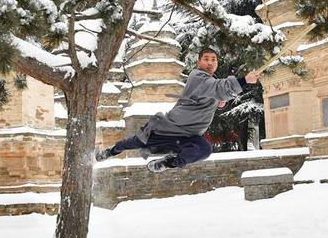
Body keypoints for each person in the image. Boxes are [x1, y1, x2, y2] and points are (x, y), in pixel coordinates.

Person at [95, 47, 262, 173]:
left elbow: (216, 92)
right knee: (132, 142)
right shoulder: (198, 77)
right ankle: (109, 152)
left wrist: (219, 101)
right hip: (167, 129)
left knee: (204, 149)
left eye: (214, 59)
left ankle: (168, 162)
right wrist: (245, 80)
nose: (210, 62)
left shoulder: (211, 82)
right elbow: (218, 88)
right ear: (199, 62)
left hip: (188, 135)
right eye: (206, 59)